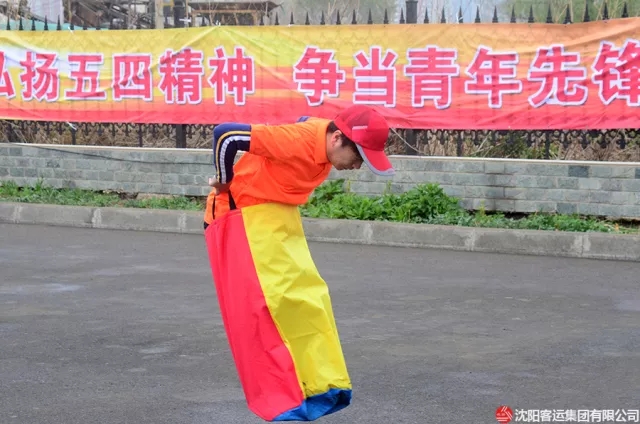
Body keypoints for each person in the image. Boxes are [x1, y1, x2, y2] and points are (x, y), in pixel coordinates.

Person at [203, 104, 395, 228]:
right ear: (336, 138)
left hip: (267, 220)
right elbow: (226, 135)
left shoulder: (325, 139)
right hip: (234, 217)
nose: (356, 166)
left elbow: (303, 120)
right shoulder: (294, 141)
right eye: (357, 157)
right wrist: (224, 180)